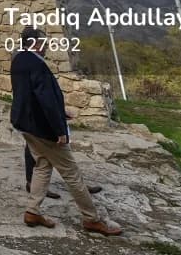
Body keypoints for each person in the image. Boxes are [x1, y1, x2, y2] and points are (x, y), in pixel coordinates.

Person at [10, 26, 121, 235]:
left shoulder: (18, 60)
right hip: (43, 128)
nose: (47, 47)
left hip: (25, 123)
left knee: (42, 165)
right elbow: (46, 99)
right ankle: (92, 218)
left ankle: (32, 212)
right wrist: (60, 128)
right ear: (35, 43)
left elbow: (31, 95)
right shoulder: (36, 63)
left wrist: (61, 111)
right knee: (71, 173)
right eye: (44, 42)